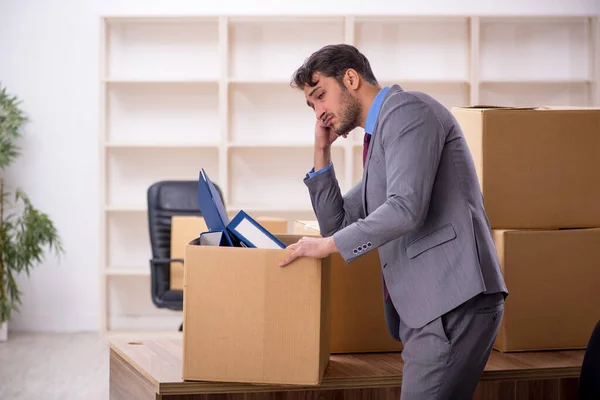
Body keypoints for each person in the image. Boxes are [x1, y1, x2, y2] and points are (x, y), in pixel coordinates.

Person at [279, 44, 509, 399]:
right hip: (432, 306)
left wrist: (326, 248)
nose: (319, 113)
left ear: (351, 78)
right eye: (311, 105)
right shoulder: (383, 136)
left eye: (320, 95)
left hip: (450, 299)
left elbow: (405, 208)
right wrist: (321, 151)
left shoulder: (407, 112)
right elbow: (336, 225)